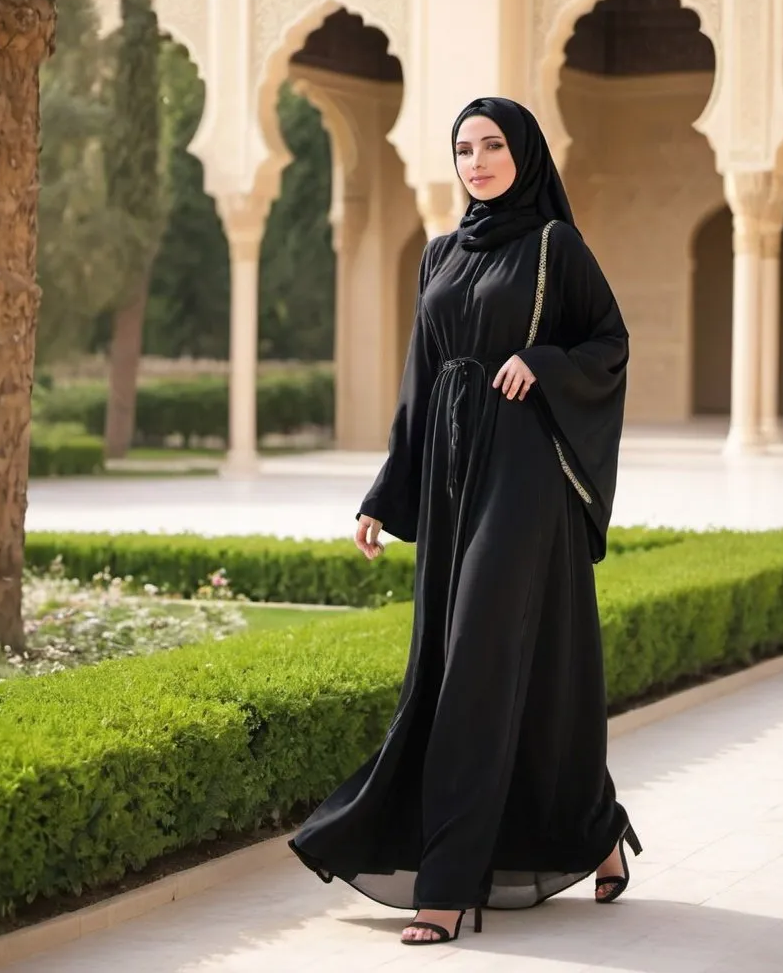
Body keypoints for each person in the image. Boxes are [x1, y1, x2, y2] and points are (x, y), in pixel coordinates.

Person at [288, 97, 640, 946]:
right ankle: (598, 833)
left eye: (491, 145)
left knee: (477, 659)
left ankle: (443, 885)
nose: (476, 160)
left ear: (524, 153)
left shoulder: (556, 246)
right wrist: (386, 489)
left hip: (525, 475)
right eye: (463, 148)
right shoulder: (441, 253)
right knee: (512, 669)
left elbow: (611, 343)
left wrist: (543, 362)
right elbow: (421, 375)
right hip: (450, 475)